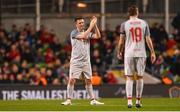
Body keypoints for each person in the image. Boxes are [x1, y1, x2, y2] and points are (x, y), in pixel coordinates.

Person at [117, 5, 156, 108]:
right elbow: (148, 39)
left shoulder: (124, 24)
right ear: (137, 12)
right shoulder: (144, 23)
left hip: (129, 53)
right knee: (140, 77)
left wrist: (119, 51)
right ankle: (138, 101)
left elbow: (121, 41)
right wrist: (152, 52)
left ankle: (129, 101)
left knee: (129, 78)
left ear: (128, 13)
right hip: (141, 53)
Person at [61, 16, 104, 105]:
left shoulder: (86, 32)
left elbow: (98, 36)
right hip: (76, 62)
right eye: (80, 23)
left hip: (86, 61)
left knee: (88, 80)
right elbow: (84, 36)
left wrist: (95, 25)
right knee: (72, 80)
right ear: (76, 24)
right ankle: (69, 100)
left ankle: (92, 100)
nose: (82, 24)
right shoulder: (74, 33)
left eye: (83, 22)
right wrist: (91, 25)